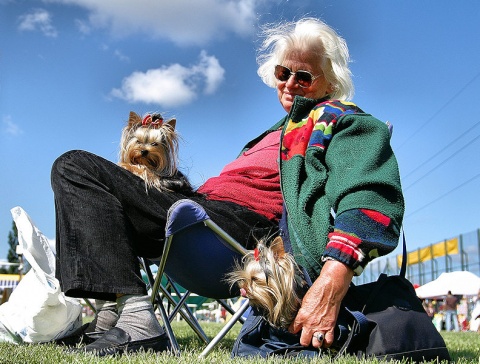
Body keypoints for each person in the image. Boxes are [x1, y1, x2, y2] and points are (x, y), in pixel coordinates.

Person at [51, 17, 404, 356]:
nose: (289, 83)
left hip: (232, 228)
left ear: (330, 83)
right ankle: (112, 317)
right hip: (194, 210)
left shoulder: (343, 121)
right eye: (283, 73)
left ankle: (137, 321)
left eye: (304, 76)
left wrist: (332, 281)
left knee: (76, 166)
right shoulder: (269, 135)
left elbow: (372, 200)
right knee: (83, 184)